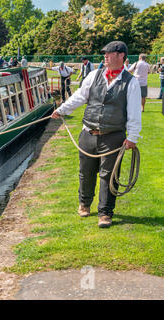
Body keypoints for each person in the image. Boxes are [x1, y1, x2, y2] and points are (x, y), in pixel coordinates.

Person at [51, 41, 141, 228]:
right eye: (105, 54)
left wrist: (132, 137)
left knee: (109, 176)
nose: (105, 57)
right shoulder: (94, 75)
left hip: (113, 136)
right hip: (88, 133)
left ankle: (105, 213)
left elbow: (134, 112)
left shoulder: (131, 83)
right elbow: (79, 97)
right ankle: (84, 204)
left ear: (121, 56)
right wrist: (62, 110)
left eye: (109, 53)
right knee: (86, 172)